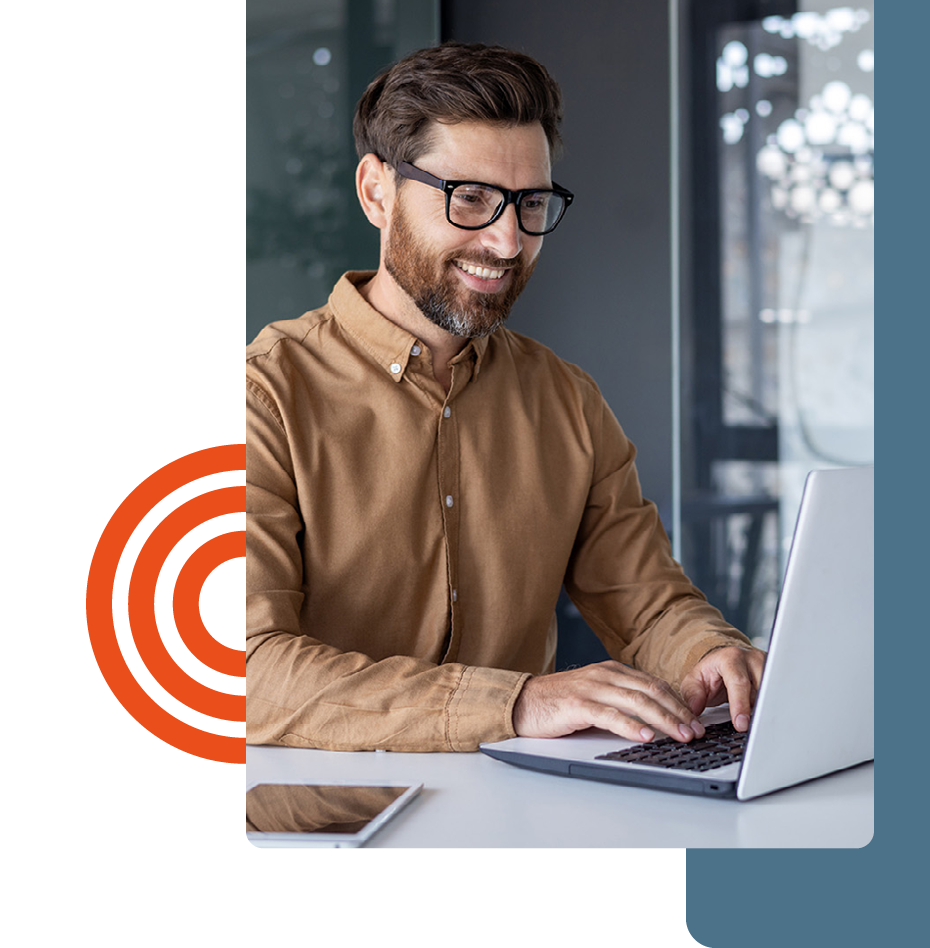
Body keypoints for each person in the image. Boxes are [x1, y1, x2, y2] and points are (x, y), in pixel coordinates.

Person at [246, 42, 766, 753]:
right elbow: (244, 671)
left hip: (512, 824)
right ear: (376, 192)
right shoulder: (261, 397)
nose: (507, 240)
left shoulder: (568, 401)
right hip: (318, 837)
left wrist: (709, 653)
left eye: (531, 204)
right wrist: (513, 702)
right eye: (470, 199)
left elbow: (648, 605)